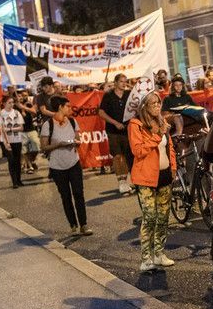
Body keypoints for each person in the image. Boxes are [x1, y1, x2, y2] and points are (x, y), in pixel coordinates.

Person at [128, 92, 177, 272]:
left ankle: (159, 254)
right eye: (153, 103)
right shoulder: (136, 125)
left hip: (164, 176)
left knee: (163, 218)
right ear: (144, 107)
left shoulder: (162, 122)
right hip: (146, 178)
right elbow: (138, 151)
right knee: (149, 217)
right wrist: (157, 136)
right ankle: (146, 259)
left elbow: (169, 146)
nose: (157, 106)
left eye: (158, 103)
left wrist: (173, 167)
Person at [40, 97, 92, 236]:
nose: (70, 109)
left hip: (74, 163)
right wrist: (59, 144)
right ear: (60, 107)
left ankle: (84, 225)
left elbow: (78, 140)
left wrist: (75, 142)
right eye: (67, 106)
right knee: (65, 196)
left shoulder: (73, 121)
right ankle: (73, 225)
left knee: (78, 194)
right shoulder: (48, 125)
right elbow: (43, 147)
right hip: (57, 166)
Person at [98, 73, 134, 194]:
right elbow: (101, 113)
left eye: (125, 81)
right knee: (118, 156)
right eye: (121, 81)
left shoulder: (129, 94)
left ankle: (129, 180)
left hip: (128, 130)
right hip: (113, 131)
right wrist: (115, 123)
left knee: (129, 156)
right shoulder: (108, 95)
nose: (124, 84)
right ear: (115, 82)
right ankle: (121, 182)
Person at [0, 95, 25, 188]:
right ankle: (14, 181)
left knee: (17, 160)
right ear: (4, 104)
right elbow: (1, 130)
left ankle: (19, 180)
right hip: (6, 141)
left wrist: (10, 129)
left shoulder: (16, 113)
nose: (12, 104)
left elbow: (21, 128)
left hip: (17, 140)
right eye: (9, 103)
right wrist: (5, 142)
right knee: (11, 160)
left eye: (12, 102)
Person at [16, 92, 40, 174]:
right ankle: (29, 166)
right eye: (20, 96)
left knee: (36, 146)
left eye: (24, 95)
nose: (22, 97)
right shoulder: (14, 107)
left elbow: (34, 112)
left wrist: (24, 108)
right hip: (21, 131)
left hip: (31, 129)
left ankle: (32, 161)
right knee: (24, 150)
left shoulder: (28, 104)